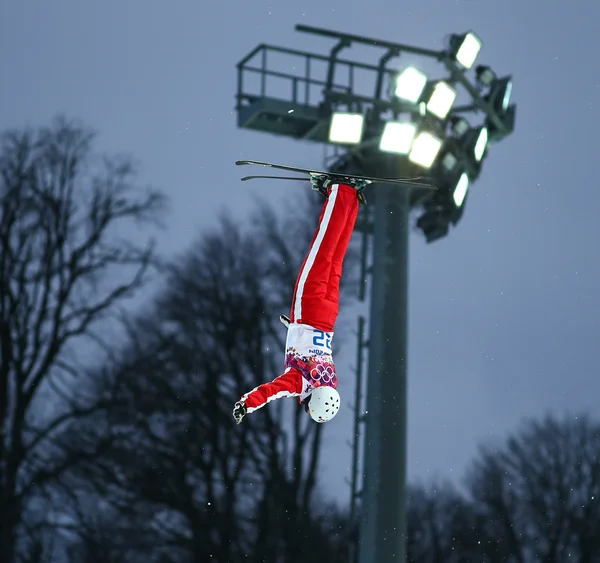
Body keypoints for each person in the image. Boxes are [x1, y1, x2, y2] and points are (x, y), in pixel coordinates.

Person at [233, 174, 368, 425]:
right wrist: (246, 404)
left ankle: (351, 201)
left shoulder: (330, 380)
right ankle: (339, 191)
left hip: (327, 316)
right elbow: (272, 391)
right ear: (312, 404)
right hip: (310, 308)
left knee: (336, 255)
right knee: (323, 249)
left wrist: (292, 330)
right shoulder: (300, 382)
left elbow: (311, 348)